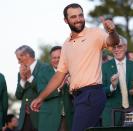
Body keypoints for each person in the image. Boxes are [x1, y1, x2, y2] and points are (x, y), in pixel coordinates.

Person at [31, 3, 119, 131]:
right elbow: (59, 75)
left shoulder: (95, 33)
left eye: (80, 15)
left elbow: (114, 41)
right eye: (73, 17)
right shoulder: (66, 44)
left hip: (92, 94)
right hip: (78, 98)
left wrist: (112, 31)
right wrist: (41, 97)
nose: (78, 19)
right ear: (66, 20)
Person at [102, 36, 133, 126]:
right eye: (114, 47)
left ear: (126, 47)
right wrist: (112, 86)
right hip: (111, 114)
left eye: (119, 46)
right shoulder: (104, 67)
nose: (116, 49)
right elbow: (99, 91)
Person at [37, 46, 73, 131]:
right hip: (49, 117)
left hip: (68, 117)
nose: (56, 60)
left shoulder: (71, 70)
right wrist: (58, 88)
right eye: (54, 58)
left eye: (59, 57)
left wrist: (72, 87)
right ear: (50, 59)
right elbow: (41, 93)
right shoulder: (43, 72)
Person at [15, 45, 45, 131]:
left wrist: (29, 77)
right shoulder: (20, 73)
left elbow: (45, 91)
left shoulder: (44, 68)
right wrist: (23, 80)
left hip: (40, 116)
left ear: (27, 55)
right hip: (24, 118)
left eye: (19, 59)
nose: (18, 62)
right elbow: (18, 96)